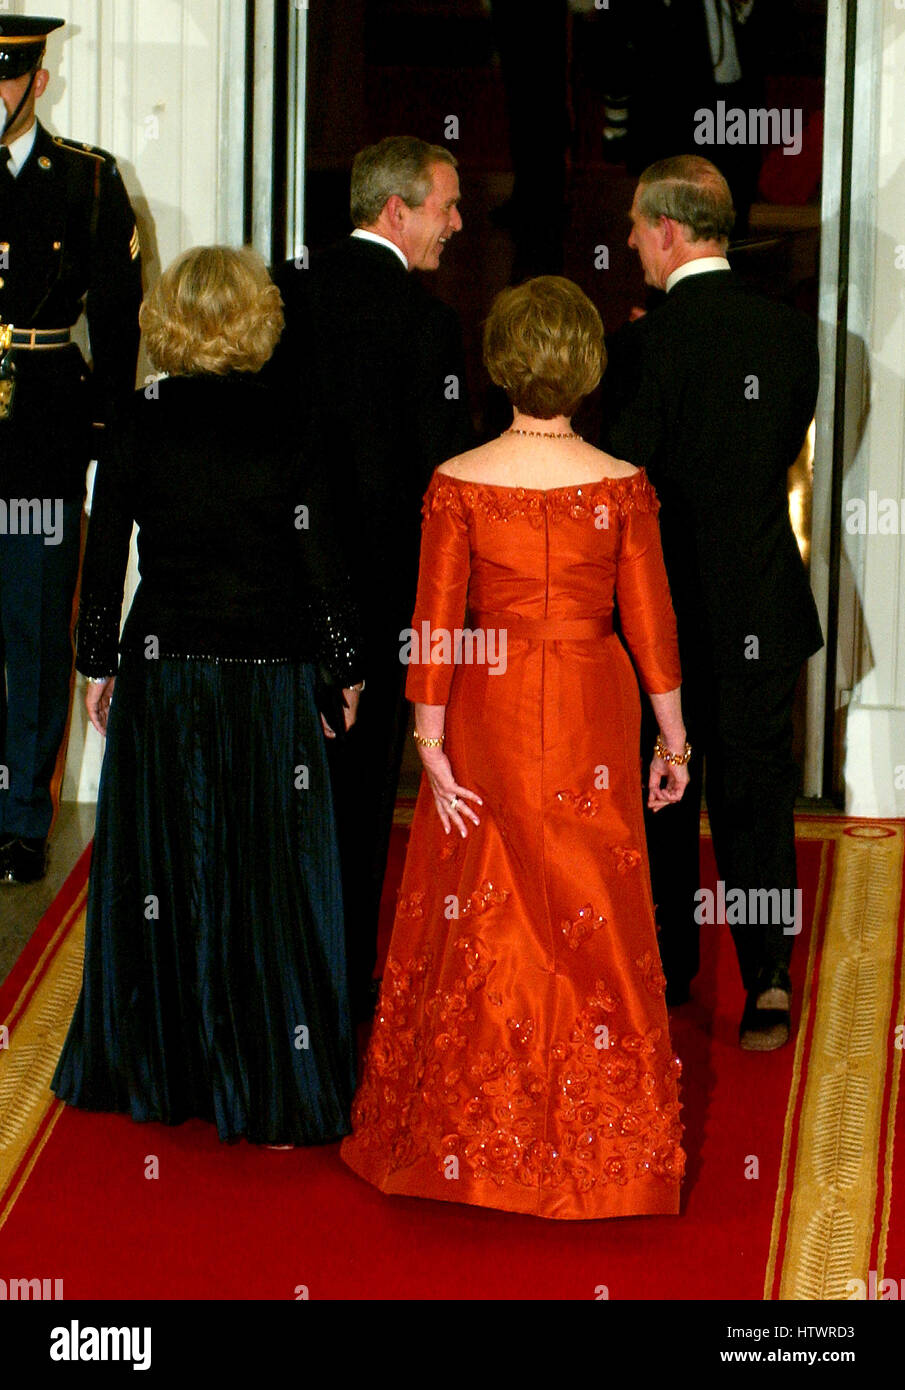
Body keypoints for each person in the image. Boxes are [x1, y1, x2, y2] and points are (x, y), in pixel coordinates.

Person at [341, 276, 688, 1220]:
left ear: (500, 367)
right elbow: (652, 629)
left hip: (487, 697)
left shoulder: (457, 481)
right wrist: (676, 745)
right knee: (593, 900)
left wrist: (427, 741)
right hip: (589, 693)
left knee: (481, 899)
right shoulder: (621, 483)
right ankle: (605, 1147)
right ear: (587, 368)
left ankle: (460, 1138)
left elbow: (435, 625)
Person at [52, 247, 364, 1146]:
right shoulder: (294, 418)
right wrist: (343, 669)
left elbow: (103, 552)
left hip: (168, 672)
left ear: (167, 323)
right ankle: (275, 1083)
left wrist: (97, 664)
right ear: (257, 320)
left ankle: (158, 1068)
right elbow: (321, 562)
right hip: (269, 681)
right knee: (271, 882)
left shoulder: (138, 422)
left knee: (164, 871)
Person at [600, 155, 822, 1049]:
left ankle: (667, 963)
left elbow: (626, 473)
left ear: (666, 229)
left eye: (632, 228)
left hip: (665, 611)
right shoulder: (790, 334)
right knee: (756, 791)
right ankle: (766, 978)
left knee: (661, 785)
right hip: (762, 600)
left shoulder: (641, 346)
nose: (626, 243)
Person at [272, 136, 475, 1024]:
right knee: (355, 805)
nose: (458, 224)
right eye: (446, 206)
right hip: (382, 598)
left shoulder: (285, 289)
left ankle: (267, 984)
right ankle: (338, 997)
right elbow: (441, 479)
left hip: (279, 590)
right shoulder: (426, 324)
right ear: (397, 210)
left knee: (277, 792)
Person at [0, 14, 142, 884]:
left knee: (31, 630)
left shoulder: (86, 181)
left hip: (41, 437)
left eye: (5, 81)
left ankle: (20, 819)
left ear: (38, 83)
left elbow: (120, 326)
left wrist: (115, 441)